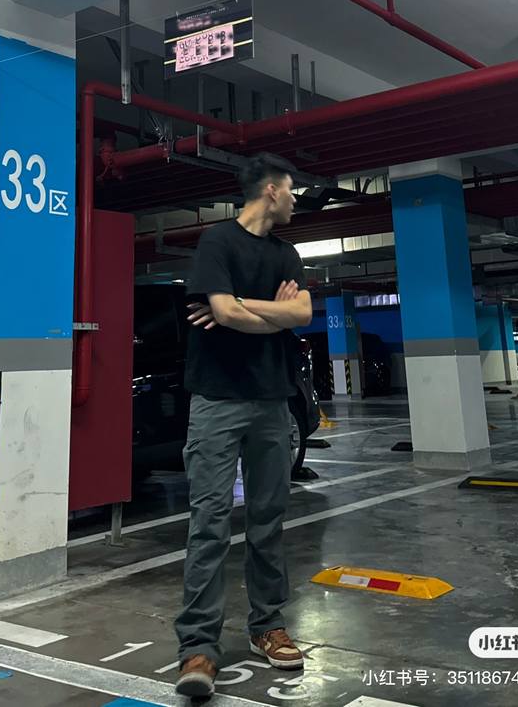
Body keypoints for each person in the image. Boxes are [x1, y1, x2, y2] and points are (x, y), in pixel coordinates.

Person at [174, 154, 313, 698]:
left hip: (272, 401)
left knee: (267, 519)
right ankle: (198, 646)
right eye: (292, 189)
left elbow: (300, 314)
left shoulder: (287, 253)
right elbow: (228, 315)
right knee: (209, 521)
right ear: (271, 191)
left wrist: (236, 305)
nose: (296, 199)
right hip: (217, 399)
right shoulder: (217, 242)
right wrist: (267, 313)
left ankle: (267, 626)